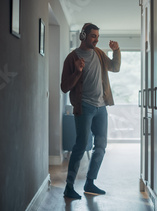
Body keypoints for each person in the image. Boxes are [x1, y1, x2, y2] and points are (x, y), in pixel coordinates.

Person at [60, 23, 121, 199]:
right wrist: (78, 71)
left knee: (101, 146)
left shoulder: (100, 54)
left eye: (97, 36)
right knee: (80, 146)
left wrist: (116, 51)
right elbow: (64, 87)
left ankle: (90, 182)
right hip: (84, 107)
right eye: (93, 36)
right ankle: (69, 187)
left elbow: (115, 67)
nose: (96, 39)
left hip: (101, 107)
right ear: (83, 35)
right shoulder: (72, 58)